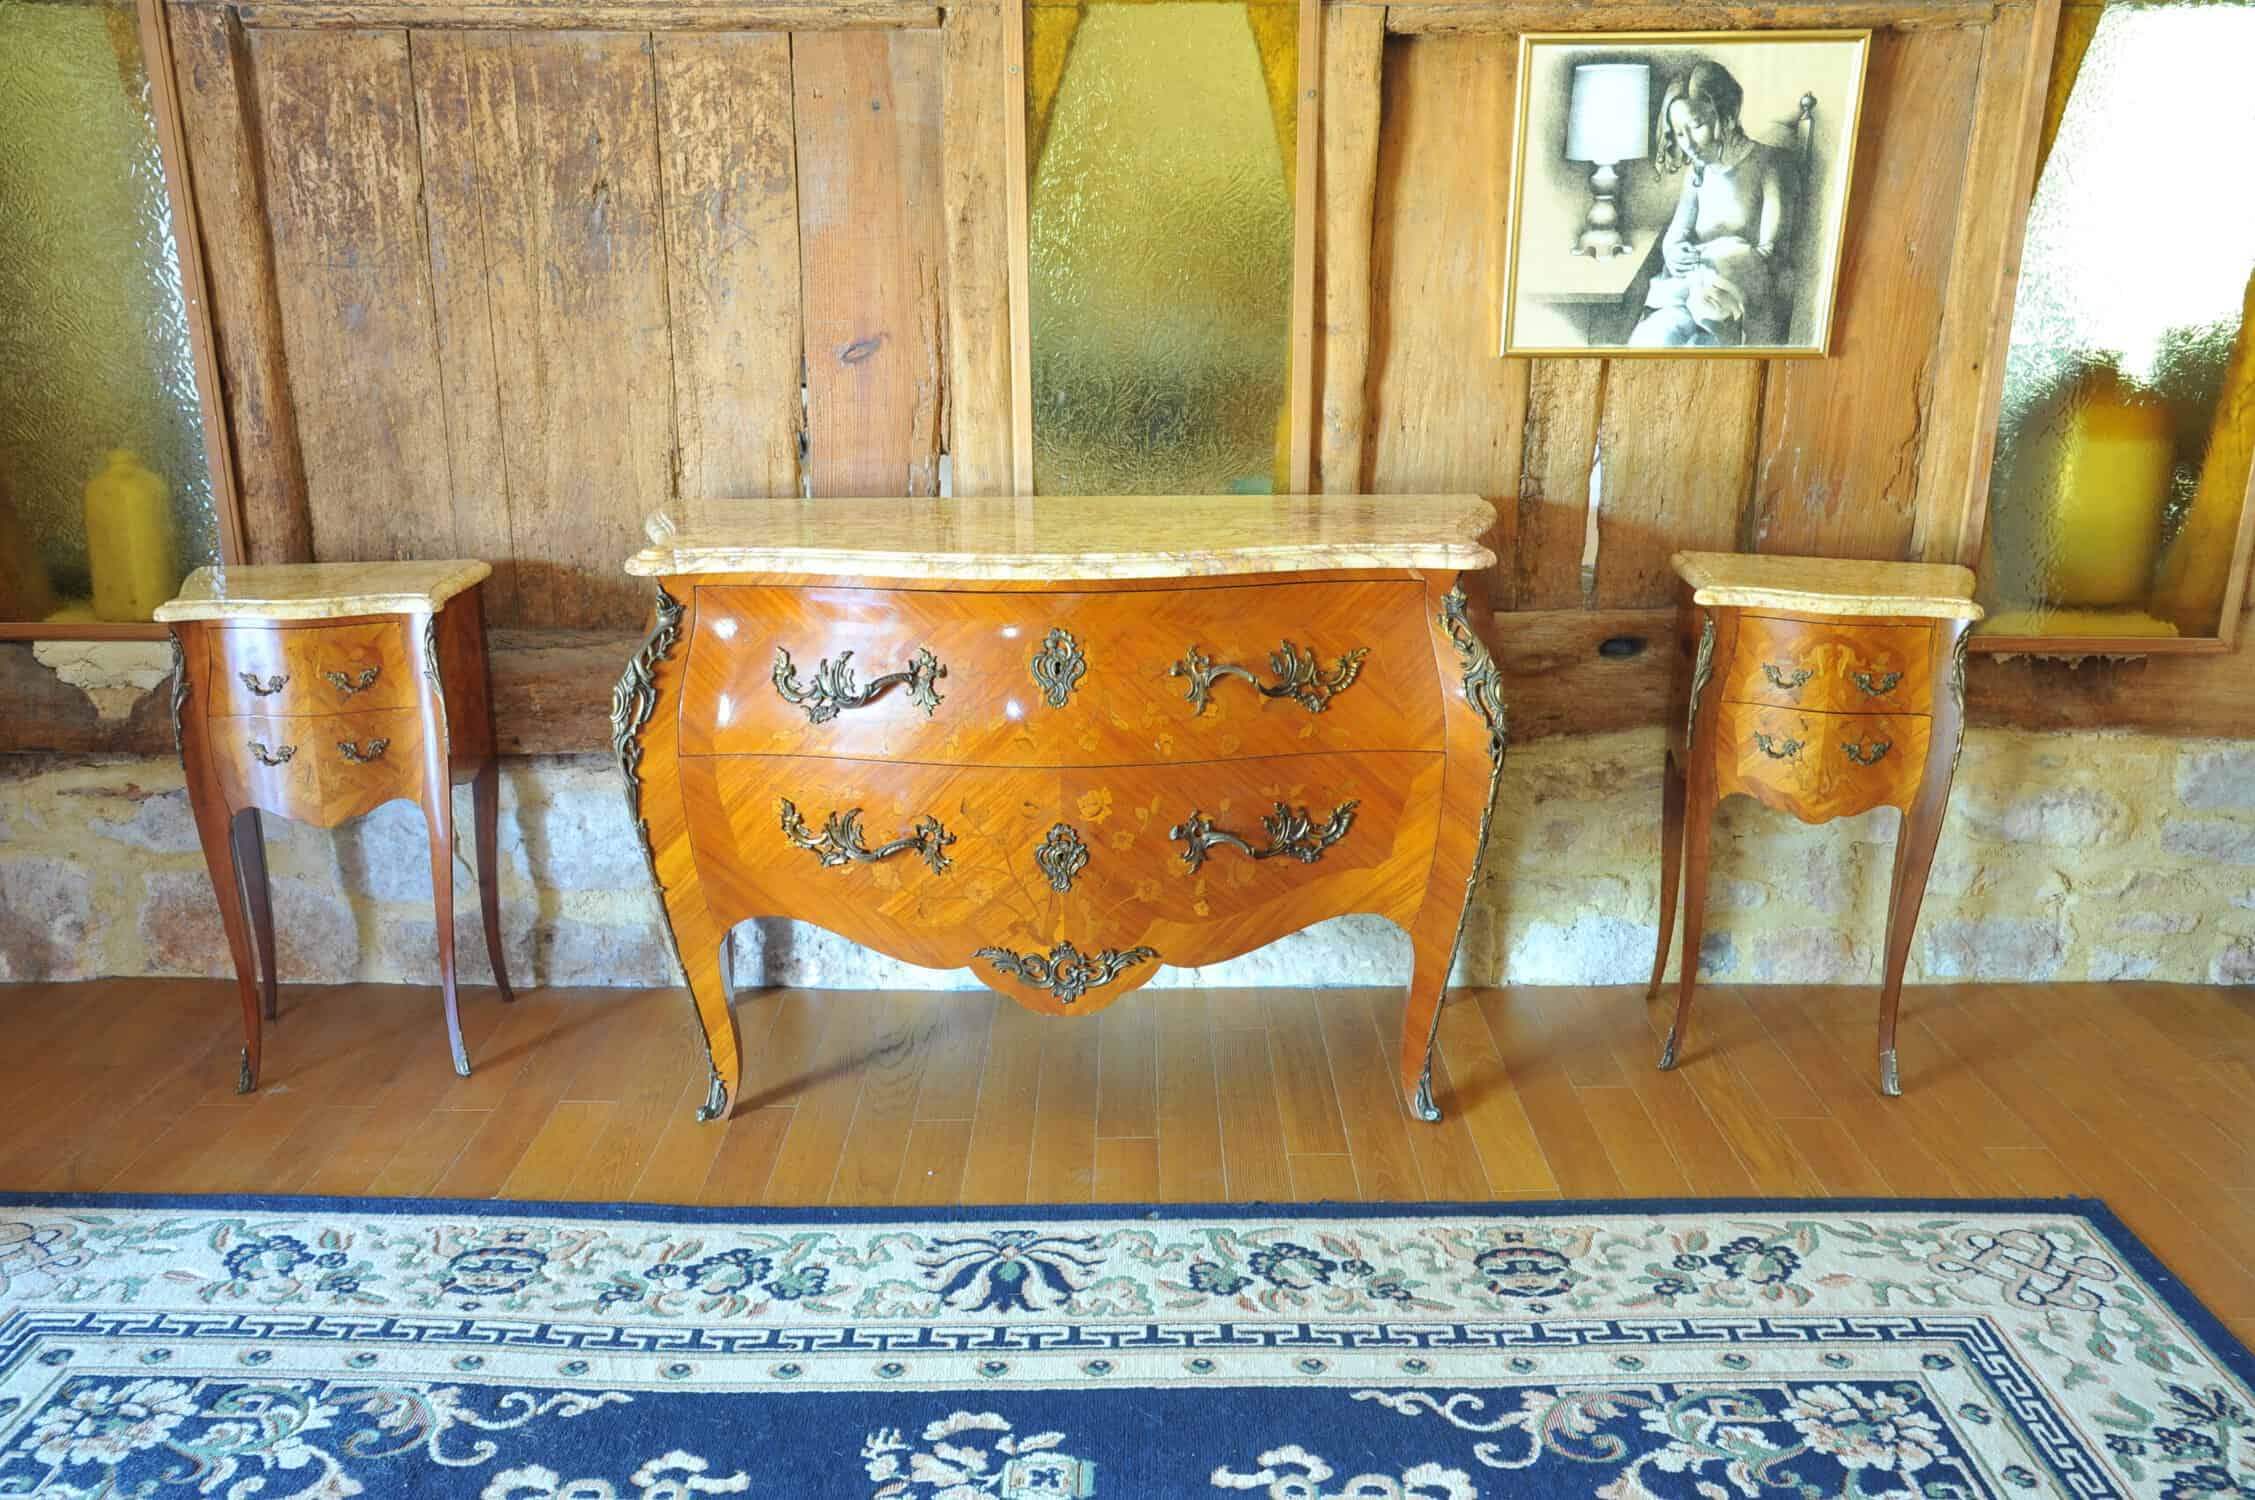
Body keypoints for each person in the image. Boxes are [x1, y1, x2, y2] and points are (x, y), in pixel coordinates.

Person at [1628, 60, 1792, 348]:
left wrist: (1722, 263)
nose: (1687, 143)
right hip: (1689, 288)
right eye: (1679, 133)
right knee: (1656, 337)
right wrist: (1675, 252)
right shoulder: (1697, 173)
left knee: (1703, 345)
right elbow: (1675, 236)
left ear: (1726, 114)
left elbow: (1772, 252)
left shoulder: (1768, 163)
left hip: (1742, 296)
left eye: (1697, 126)